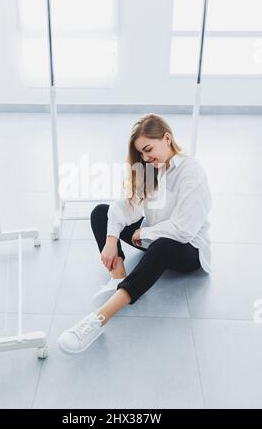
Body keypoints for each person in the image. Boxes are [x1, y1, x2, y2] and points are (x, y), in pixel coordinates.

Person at [58, 113, 212, 354]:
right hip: (153, 236)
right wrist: (111, 240)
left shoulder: (192, 172)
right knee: (101, 212)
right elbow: (126, 206)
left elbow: (183, 230)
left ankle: (99, 319)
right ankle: (119, 278)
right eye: (141, 153)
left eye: (148, 149)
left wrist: (145, 231)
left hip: (187, 249)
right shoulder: (152, 168)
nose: (145, 157)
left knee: (161, 245)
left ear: (167, 138)